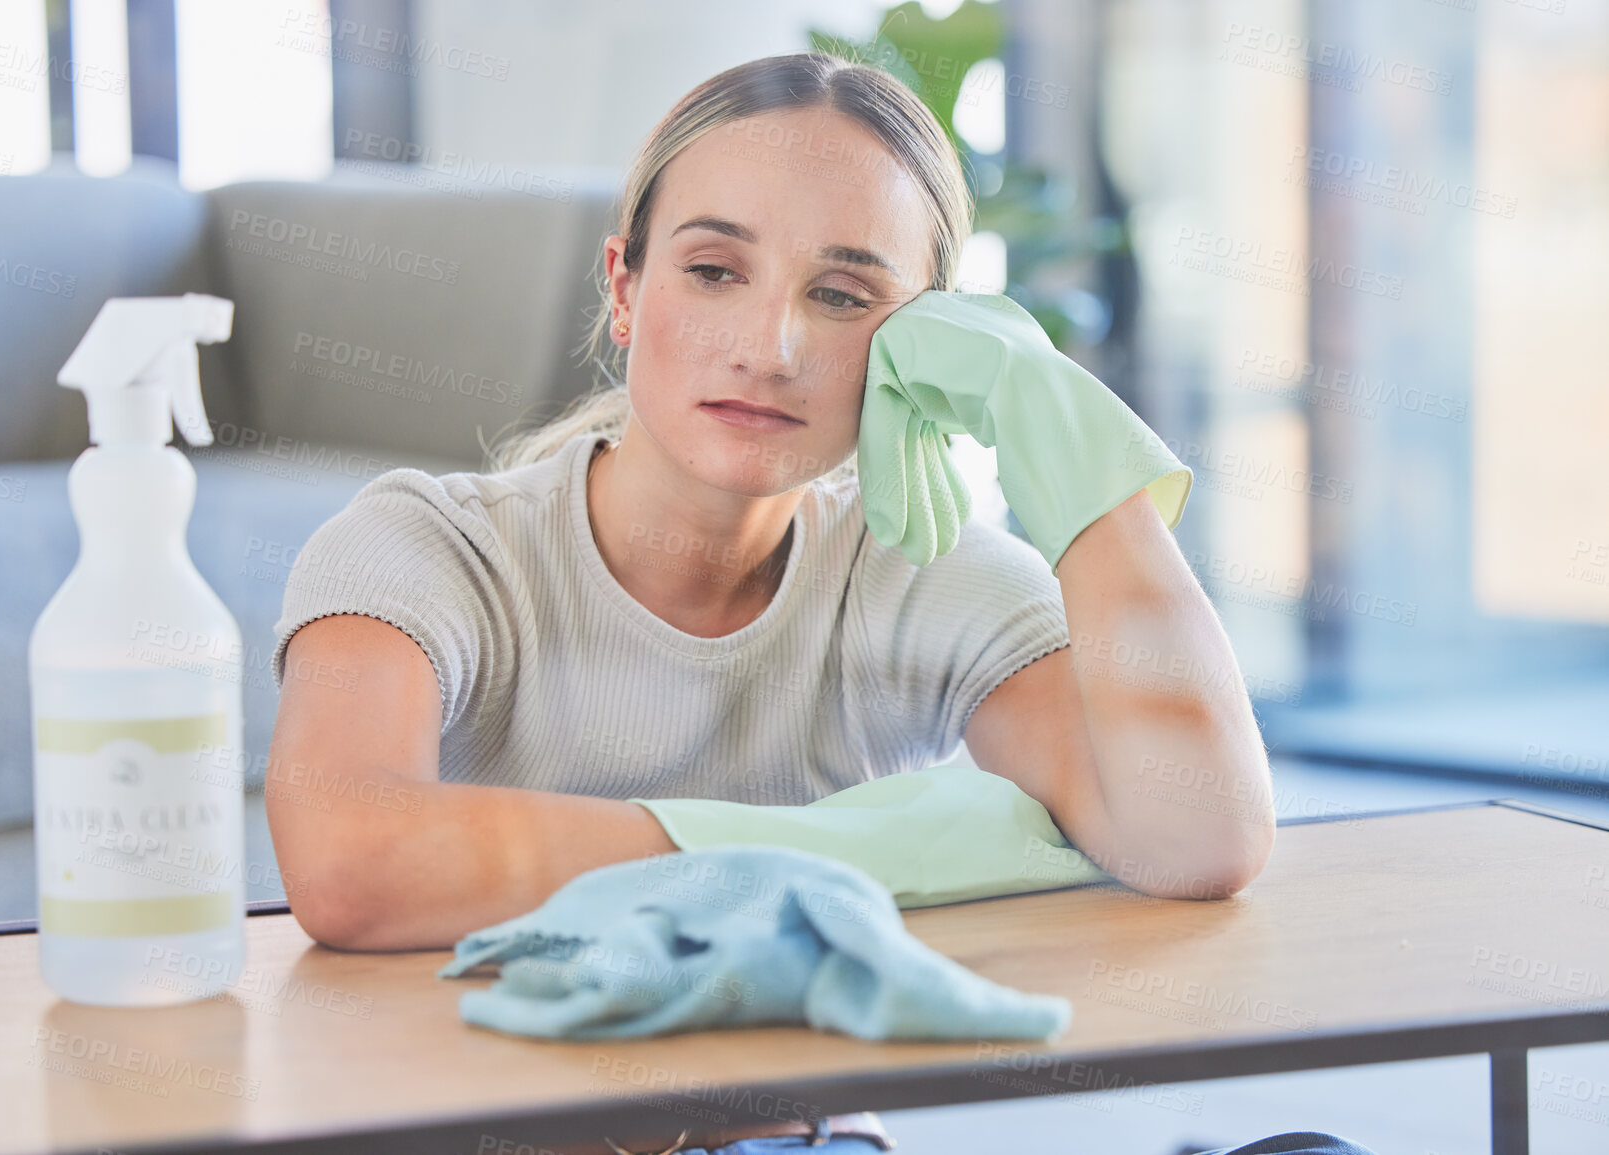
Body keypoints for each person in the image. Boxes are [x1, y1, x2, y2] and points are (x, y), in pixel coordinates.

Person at [264, 51, 1377, 1155]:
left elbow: (1196, 833)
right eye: (712, 271)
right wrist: (819, 857)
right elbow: (351, 863)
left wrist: (1060, 432)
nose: (772, 348)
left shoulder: (926, 573)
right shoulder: (425, 548)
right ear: (623, 287)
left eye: (843, 296)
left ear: (917, 347)